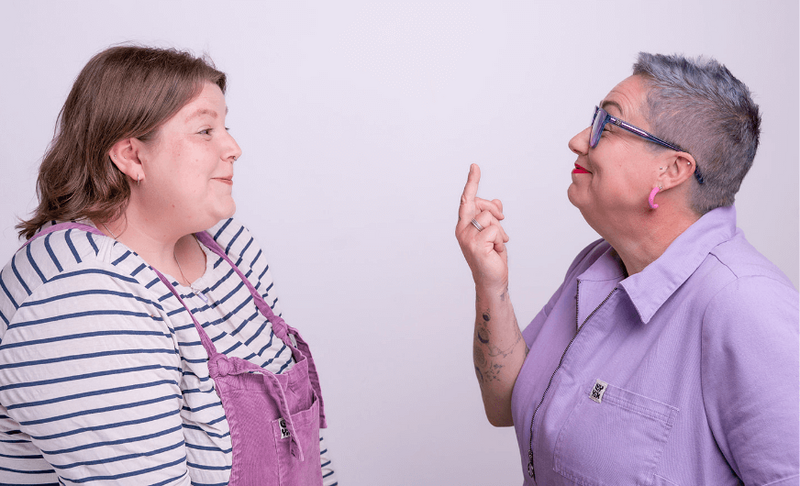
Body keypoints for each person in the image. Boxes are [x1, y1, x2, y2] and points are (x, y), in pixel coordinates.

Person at [0, 45, 337, 485]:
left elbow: (305, 450)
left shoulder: (228, 248)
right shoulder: (82, 296)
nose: (233, 147)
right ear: (132, 157)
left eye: (226, 127)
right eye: (204, 131)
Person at [456, 53, 799, 485]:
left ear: (672, 170)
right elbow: (505, 404)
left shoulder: (747, 306)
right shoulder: (598, 263)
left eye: (608, 125)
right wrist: (491, 284)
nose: (579, 140)